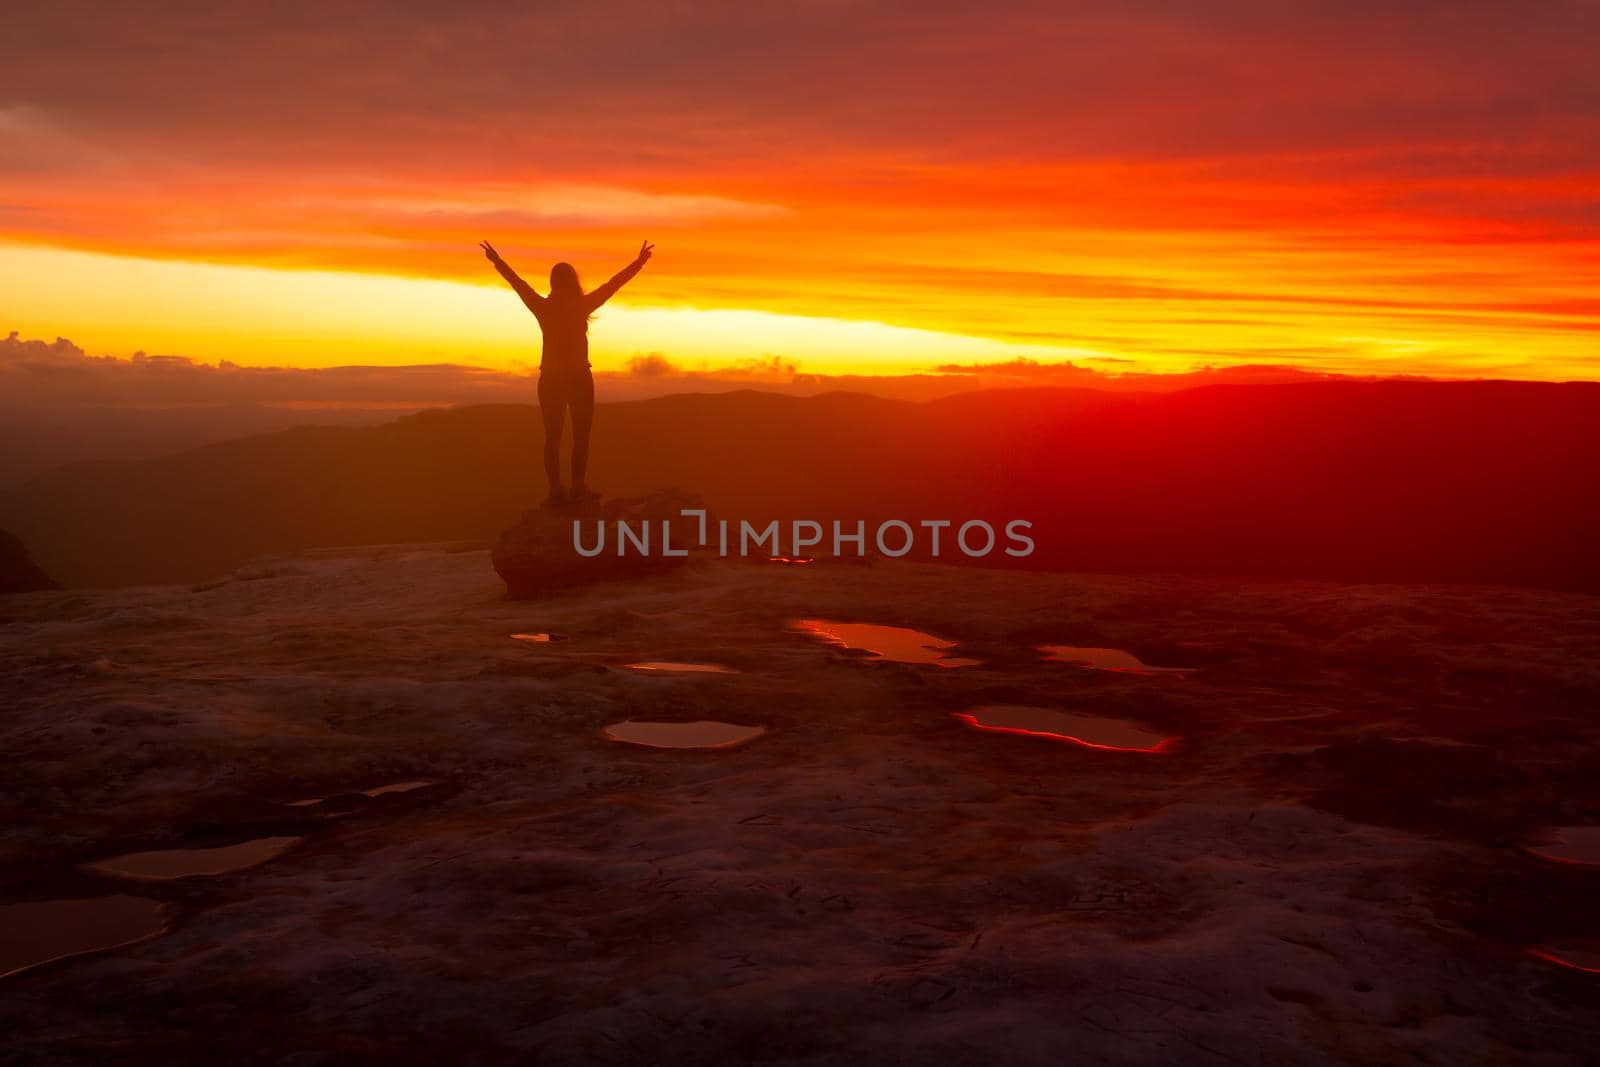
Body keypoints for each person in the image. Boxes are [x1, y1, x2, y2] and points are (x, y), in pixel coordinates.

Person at [480, 238, 654, 505]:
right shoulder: (581, 306)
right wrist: (639, 263)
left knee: (553, 437)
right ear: (573, 281)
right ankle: (577, 486)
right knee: (580, 435)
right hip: (579, 377)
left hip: (550, 378)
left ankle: (555, 490)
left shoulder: (543, 308)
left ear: (552, 283)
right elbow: (613, 285)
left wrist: (497, 261)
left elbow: (517, 283)